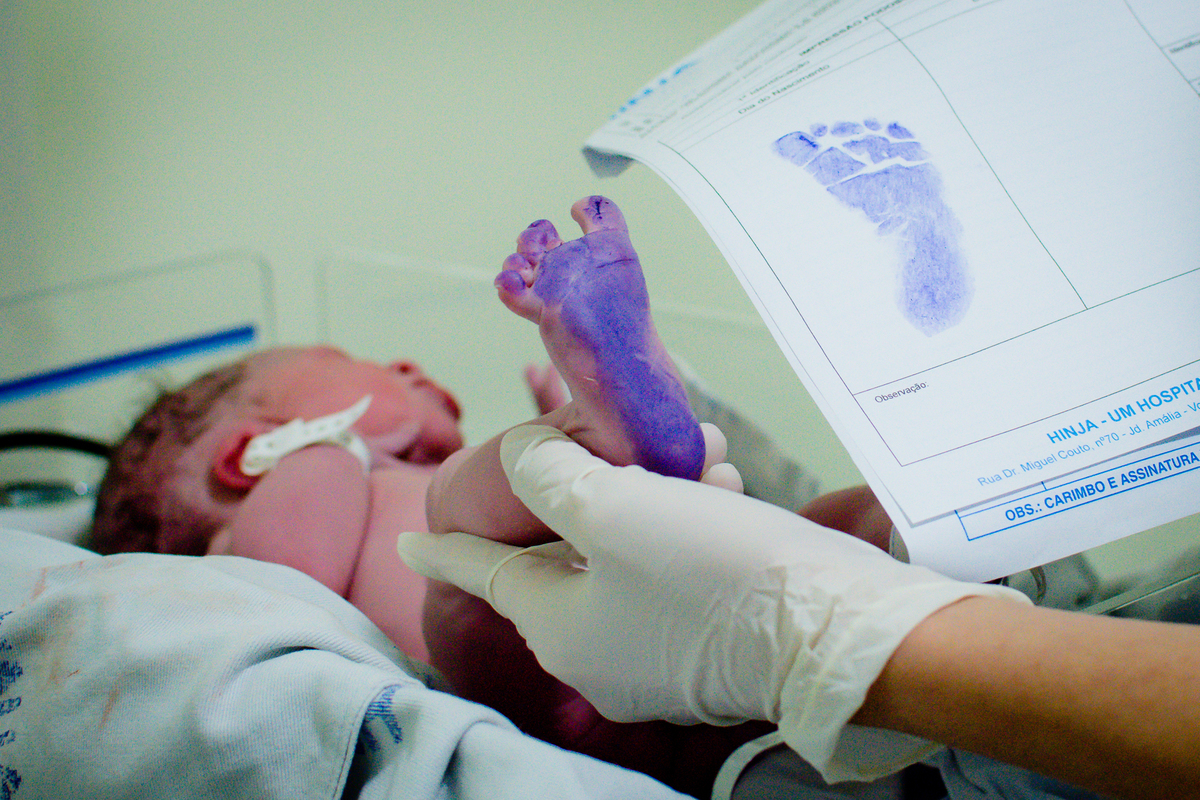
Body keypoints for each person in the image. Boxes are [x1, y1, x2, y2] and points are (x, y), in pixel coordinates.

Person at [398, 423, 1200, 800]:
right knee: (465, 548)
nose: (404, 370)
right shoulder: (332, 461)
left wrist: (841, 629)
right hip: (585, 676)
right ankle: (587, 432)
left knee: (839, 526)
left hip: (775, 724)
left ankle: (593, 429)